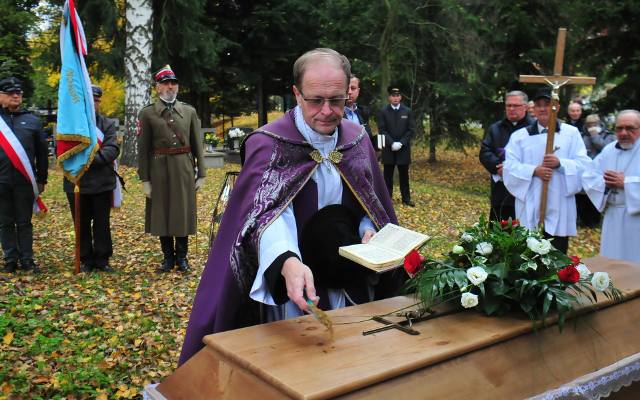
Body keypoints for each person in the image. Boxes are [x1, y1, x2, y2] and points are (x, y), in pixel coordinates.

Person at [179, 48, 400, 365]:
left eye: (337, 100)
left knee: (350, 363)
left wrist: (369, 230)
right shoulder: (269, 144)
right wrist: (286, 260)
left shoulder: (357, 139)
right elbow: (267, 216)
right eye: (315, 100)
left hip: (349, 283)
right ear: (296, 93)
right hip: (293, 287)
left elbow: (371, 200)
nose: (327, 110)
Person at [503, 89, 590, 254]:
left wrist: (561, 163)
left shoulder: (571, 134)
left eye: (548, 105)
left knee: (556, 252)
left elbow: (584, 164)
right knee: (528, 252)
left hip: (560, 201)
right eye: (539, 105)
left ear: (556, 107)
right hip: (530, 199)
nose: (543, 109)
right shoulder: (520, 136)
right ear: (533, 109)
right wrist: (534, 170)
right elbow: (509, 167)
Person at [137, 65, 206, 273]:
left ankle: (182, 258)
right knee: (162, 212)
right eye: (165, 83)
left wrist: (201, 173)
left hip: (184, 168)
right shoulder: (147, 114)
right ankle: (168, 258)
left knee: (182, 212)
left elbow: (197, 144)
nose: (170, 86)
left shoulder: (189, 111)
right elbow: (143, 149)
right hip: (159, 169)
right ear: (157, 88)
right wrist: (145, 179)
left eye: (173, 83)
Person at [63, 85, 120, 272]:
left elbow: (112, 149)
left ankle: (102, 259)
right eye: (89, 100)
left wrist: (87, 161)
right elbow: (64, 151)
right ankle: (86, 259)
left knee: (102, 223)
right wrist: (80, 163)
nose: (93, 103)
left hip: (102, 182)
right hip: (77, 182)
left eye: (96, 100)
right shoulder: (70, 126)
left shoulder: (107, 124)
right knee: (81, 222)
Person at [0, 77, 48, 273]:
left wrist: (42, 178)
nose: (15, 96)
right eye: (11, 93)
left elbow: (42, 153)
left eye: (18, 93)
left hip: (24, 181)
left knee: (24, 222)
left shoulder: (33, 121)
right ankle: (10, 259)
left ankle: (27, 260)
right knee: (5, 222)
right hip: (1, 181)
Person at [582, 110, 640, 263]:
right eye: (619, 128)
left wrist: (626, 183)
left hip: (637, 218)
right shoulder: (609, 150)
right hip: (613, 216)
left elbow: (624, 181)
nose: (623, 133)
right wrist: (604, 183)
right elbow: (589, 176)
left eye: (630, 128)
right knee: (613, 261)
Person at [479, 91, 535, 221]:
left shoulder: (534, 129)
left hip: (526, 189)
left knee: (523, 231)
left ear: (525, 107)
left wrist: (514, 170)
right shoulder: (495, 128)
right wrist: (497, 167)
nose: (511, 109)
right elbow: (485, 152)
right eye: (508, 105)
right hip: (501, 189)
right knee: (498, 229)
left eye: (516, 105)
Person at [377, 86, 416, 206]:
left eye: (397, 95)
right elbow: (382, 129)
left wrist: (401, 143)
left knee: (404, 176)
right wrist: (392, 143)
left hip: (403, 149)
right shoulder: (383, 111)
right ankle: (387, 199)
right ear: (389, 97)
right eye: (393, 95)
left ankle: (406, 199)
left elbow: (411, 130)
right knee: (387, 175)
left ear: (400, 97)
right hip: (388, 149)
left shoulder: (407, 111)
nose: (395, 98)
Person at [575, 114, 616, 227]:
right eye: (589, 125)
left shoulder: (608, 135)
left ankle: (594, 221)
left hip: (599, 171)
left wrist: (595, 136)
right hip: (584, 170)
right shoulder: (582, 135)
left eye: (594, 124)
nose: (592, 127)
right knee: (582, 196)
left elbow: (607, 149)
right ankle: (583, 220)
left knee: (595, 194)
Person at [343, 74, 375, 148]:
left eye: (353, 88)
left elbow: (371, 136)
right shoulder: (334, 114)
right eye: (346, 88)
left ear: (358, 91)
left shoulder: (364, 113)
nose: (349, 92)